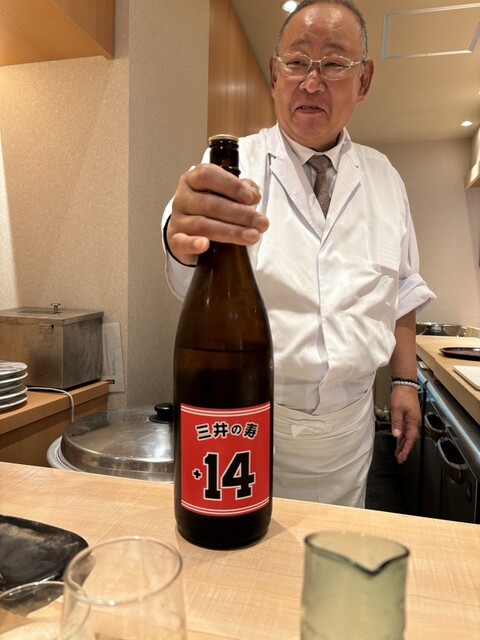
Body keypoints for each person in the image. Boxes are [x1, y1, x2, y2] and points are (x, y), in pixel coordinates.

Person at [161, 0, 435, 508]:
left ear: (364, 80)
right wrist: (180, 235)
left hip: (349, 433)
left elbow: (401, 293)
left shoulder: (385, 178)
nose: (311, 82)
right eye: (297, 62)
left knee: (336, 547)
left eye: (333, 63)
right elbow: (188, 271)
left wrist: (403, 381)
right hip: (249, 421)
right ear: (274, 74)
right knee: (246, 546)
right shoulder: (232, 166)